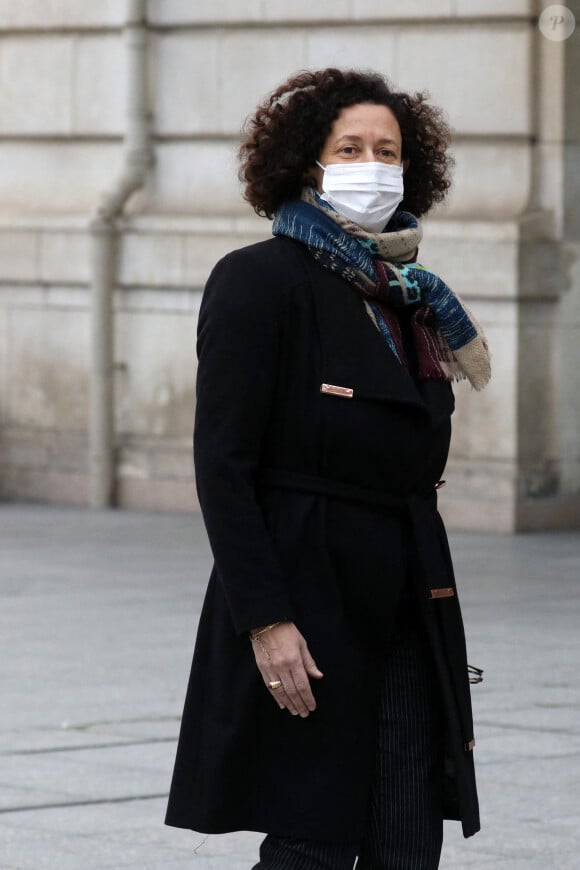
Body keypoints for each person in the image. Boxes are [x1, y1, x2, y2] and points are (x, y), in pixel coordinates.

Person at [165, 67, 489, 869]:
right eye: (350, 147)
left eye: (389, 150)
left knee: (409, 830)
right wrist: (265, 621)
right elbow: (223, 467)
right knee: (313, 839)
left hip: (409, 594)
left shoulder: (410, 295)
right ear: (309, 163)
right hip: (305, 595)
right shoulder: (258, 280)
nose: (373, 164)